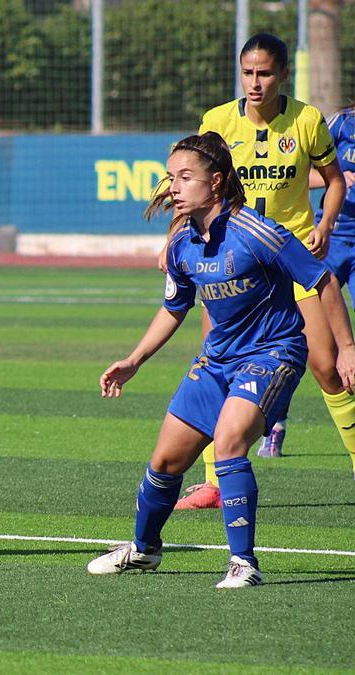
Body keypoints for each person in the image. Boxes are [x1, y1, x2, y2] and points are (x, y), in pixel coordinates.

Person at [90, 132, 355, 588]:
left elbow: (323, 279)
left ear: (215, 182)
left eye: (184, 177)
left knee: (230, 440)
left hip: (274, 353)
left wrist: (347, 347)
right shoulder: (181, 245)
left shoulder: (258, 232)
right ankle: (145, 549)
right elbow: (175, 308)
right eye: (170, 177)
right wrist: (135, 360)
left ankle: (243, 563)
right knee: (166, 462)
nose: (173, 186)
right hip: (216, 361)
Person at [174, 33, 350, 509]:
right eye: (248, 73)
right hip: (232, 261)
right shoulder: (217, 122)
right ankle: (213, 483)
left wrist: (327, 223)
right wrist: (173, 236)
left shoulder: (307, 120)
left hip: (288, 257)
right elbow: (188, 177)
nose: (255, 82)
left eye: (265, 73)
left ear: (283, 74)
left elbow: (334, 182)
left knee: (327, 365)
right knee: (220, 362)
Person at [313, 104, 355, 478]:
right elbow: (310, 174)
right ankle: (275, 425)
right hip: (332, 240)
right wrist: (341, 177)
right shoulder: (340, 123)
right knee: (308, 344)